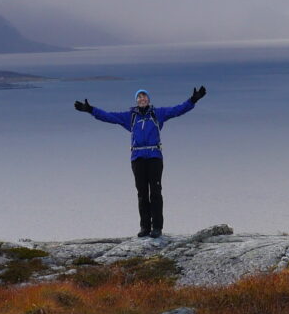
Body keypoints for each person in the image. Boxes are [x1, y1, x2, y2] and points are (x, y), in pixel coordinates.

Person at [74, 86, 206, 239]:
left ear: (148, 100)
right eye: (139, 97)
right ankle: (145, 227)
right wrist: (91, 110)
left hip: (154, 156)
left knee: (155, 193)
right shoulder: (130, 116)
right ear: (136, 100)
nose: (142, 99)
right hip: (137, 158)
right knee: (142, 194)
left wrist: (193, 100)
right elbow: (109, 116)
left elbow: (177, 110)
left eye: (144, 97)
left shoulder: (158, 114)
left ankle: (157, 227)